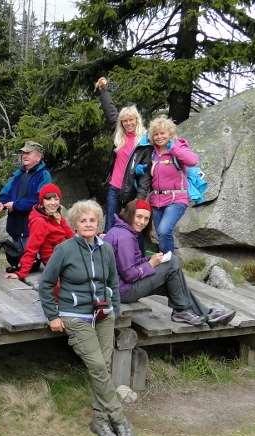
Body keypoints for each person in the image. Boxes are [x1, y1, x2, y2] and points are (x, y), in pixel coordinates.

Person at [38, 200, 135, 436]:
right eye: (83, 220)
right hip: (75, 315)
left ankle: (99, 420)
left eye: (92, 220)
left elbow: (113, 282)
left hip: (104, 314)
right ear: (75, 224)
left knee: (102, 366)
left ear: (98, 223)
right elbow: (46, 284)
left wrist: (115, 309)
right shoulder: (64, 249)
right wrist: (52, 315)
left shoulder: (105, 250)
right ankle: (118, 417)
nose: (88, 224)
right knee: (98, 366)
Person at [104, 199, 235, 326]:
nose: (142, 222)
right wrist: (151, 264)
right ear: (129, 214)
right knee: (172, 262)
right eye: (138, 217)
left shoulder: (121, 231)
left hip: (119, 288)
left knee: (174, 283)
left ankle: (206, 313)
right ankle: (182, 311)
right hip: (123, 291)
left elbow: (128, 264)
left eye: (146, 218)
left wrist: (149, 260)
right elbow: (129, 275)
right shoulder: (124, 237)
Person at [95, 76, 153, 231]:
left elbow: (146, 174)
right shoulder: (119, 135)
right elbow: (111, 111)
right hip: (114, 187)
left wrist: (140, 199)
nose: (128, 123)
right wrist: (103, 90)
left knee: (133, 228)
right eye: (125, 121)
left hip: (132, 191)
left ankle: (134, 255)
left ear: (137, 120)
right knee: (110, 226)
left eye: (131, 120)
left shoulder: (144, 142)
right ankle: (108, 254)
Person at [0, 140, 52, 271]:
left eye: (28, 153)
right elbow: (5, 192)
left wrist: (16, 205)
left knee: (31, 259)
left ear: (38, 157)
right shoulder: (18, 174)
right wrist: (1, 203)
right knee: (17, 257)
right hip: (15, 224)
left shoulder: (44, 176)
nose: (24, 156)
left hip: (31, 225)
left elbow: (40, 201)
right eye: (23, 153)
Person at [147, 115, 199, 253]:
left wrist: (173, 148)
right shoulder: (153, 153)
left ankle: (170, 264)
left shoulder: (178, 146)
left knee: (164, 230)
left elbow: (193, 160)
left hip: (176, 199)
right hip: (157, 200)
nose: (159, 137)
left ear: (170, 133)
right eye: (156, 134)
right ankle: (168, 262)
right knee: (160, 234)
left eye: (162, 133)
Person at [5, 183, 73, 281]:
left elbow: (71, 236)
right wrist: (21, 273)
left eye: (56, 199)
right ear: (41, 201)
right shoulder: (39, 221)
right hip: (57, 262)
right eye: (48, 199)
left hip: (67, 255)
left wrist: (60, 221)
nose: (53, 203)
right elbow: (32, 248)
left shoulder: (53, 214)